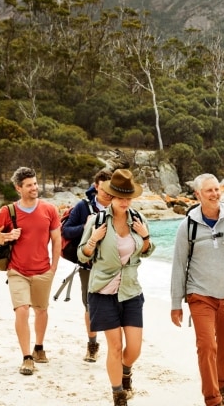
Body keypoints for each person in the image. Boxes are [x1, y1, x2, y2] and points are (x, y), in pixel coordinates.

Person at [170, 173, 224, 406]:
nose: (215, 194)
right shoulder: (187, 226)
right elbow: (178, 265)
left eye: (217, 189)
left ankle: (222, 383)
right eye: (209, 191)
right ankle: (213, 399)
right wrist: (176, 303)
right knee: (207, 346)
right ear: (198, 195)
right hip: (199, 295)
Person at [77, 168, 154, 406]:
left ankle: (126, 371)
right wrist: (92, 240)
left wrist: (146, 236)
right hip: (103, 292)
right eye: (120, 197)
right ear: (111, 196)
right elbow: (82, 255)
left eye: (128, 197)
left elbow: (147, 250)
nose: (124, 202)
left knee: (134, 349)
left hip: (130, 291)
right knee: (115, 346)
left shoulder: (139, 220)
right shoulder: (96, 220)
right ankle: (118, 393)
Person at [0, 166, 61, 376]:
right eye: (29, 185)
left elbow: (57, 239)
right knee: (22, 309)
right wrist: (8, 235)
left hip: (43, 270)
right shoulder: (8, 211)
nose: (34, 188)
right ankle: (27, 357)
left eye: (35, 184)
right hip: (17, 270)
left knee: (41, 310)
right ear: (18, 188)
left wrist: (54, 267)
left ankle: (39, 347)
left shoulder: (49, 210)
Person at [61, 169, 113, 362]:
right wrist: (86, 226)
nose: (108, 193)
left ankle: (115, 347)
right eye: (104, 188)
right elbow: (66, 231)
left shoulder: (119, 206)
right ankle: (92, 345)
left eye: (111, 188)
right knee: (90, 306)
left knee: (115, 306)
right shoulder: (83, 207)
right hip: (88, 264)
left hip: (114, 266)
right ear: (96, 186)